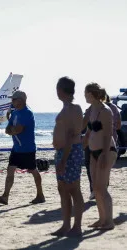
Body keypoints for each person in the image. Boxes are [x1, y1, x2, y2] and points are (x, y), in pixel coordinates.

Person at [0, 90, 45, 205]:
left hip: (27, 149)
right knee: (10, 170)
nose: (12, 102)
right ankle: (5, 196)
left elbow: (18, 130)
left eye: (14, 99)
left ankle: (40, 195)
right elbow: (8, 130)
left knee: (33, 171)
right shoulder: (15, 113)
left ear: (21, 100)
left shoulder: (27, 113)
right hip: (16, 148)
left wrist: (12, 130)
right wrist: (12, 130)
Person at [51, 77, 84, 237]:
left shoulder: (74, 109)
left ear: (61, 90)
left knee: (74, 189)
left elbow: (72, 135)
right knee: (63, 189)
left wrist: (63, 159)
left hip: (70, 152)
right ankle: (66, 225)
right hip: (63, 152)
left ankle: (77, 227)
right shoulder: (68, 108)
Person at [85, 83, 117, 230]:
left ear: (92, 94)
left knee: (102, 188)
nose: (85, 96)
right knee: (96, 188)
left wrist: (103, 154)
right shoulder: (92, 110)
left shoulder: (105, 110)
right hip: (93, 152)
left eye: (86, 93)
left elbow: (108, 134)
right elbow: (89, 132)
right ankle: (101, 219)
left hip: (107, 151)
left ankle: (109, 221)